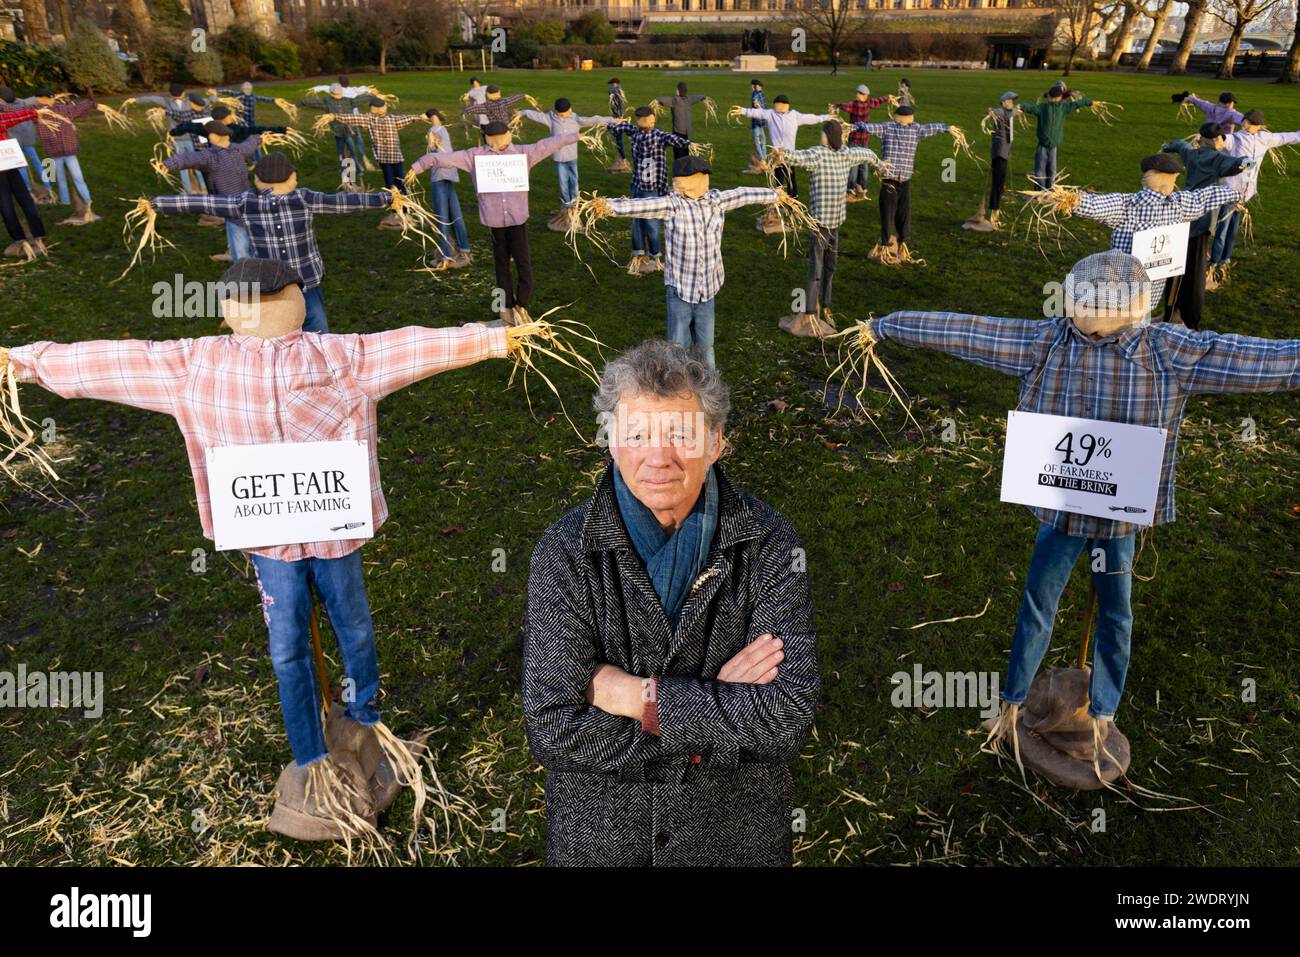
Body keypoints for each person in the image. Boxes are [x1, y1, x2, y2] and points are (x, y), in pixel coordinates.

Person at [1, 257, 520, 842]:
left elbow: (415, 347)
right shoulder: (196, 364)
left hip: (334, 529)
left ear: (296, 299)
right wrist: (26, 363)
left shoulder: (341, 356)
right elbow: (115, 362)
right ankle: (310, 755)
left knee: (353, 627)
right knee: (287, 645)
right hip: (270, 542)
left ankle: (364, 723)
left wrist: (496, 339)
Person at [864, 250, 1300, 775]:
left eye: (1098, 306)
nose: (1086, 316)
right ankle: (1011, 706)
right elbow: (965, 331)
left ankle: (1102, 713)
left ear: (1137, 307)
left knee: (1117, 611)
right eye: (1080, 303)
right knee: (1037, 602)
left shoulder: (1167, 349)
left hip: (1117, 519)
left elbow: (1253, 358)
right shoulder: (1046, 342)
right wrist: (886, 327)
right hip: (1062, 510)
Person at [523, 338, 820, 866]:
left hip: (732, 837)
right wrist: (717, 711)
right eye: (637, 434)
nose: (658, 457)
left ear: (716, 442)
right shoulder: (564, 552)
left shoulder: (770, 542)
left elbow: (788, 716)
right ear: (611, 441)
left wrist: (645, 700)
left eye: (680, 434)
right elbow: (552, 729)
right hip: (604, 840)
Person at [148, 152, 396, 334]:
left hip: (269, 284)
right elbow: (343, 202)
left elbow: (202, 204)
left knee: (275, 331)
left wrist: (157, 202)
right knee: (316, 329)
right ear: (292, 177)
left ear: (257, 181)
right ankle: (316, 364)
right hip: (305, 279)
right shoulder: (304, 198)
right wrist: (385, 198)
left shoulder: (246, 202)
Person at [594, 155, 780, 367]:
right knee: (677, 348)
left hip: (707, 290)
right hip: (680, 290)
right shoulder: (673, 205)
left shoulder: (716, 201)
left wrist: (774, 195)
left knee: (706, 347)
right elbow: (642, 205)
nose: (703, 181)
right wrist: (607, 206)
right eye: (698, 177)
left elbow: (744, 193)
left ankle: (709, 388)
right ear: (682, 181)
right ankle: (678, 387)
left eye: (704, 177)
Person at [409, 120, 579, 325]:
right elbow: (444, 158)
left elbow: (548, 144)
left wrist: (575, 136)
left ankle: (521, 304)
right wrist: (418, 166)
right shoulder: (475, 156)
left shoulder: (523, 153)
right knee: (501, 266)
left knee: (523, 264)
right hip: (494, 222)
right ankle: (504, 307)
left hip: (517, 221)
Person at [1036, 152, 1240, 313]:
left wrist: (1064, 199)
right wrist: (1234, 194)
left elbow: (1096, 204)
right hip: (1148, 292)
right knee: (1138, 321)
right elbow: (1204, 197)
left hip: (1121, 287)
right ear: (1169, 180)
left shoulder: (1129, 205)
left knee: (1120, 323)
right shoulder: (1179, 205)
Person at [774, 121, 883, 335]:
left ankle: (817, 310)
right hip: (831, 224)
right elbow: (868, 154)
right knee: (827, 267)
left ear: (827, 135)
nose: (820, 136)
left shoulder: (821, 154)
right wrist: (880, 164)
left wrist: (781, 153)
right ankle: (817, 308)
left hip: (824, 225)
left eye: (822, 133)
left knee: (819, 268)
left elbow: (798, 156)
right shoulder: (844, 153)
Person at [1160, 123, 1250, 327]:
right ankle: (1190, 318)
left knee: (1175, 264)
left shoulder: (1192, 154)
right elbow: (1238, 164)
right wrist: (1248, 162)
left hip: (1181, 213)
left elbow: (1179, 145)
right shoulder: (1218, 158)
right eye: (1221, 139)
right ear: (1216, 140)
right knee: (1195, 267)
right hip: (1201, 220)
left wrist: (1166, 146)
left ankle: (1171, 311)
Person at [1208, 108, 1300, 289]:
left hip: (1245, 194)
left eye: (1252, 123)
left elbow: (1288, 137)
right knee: (1222, 230)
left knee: (1232, 228)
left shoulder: (1265, 138)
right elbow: (1224, 140)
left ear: (1259, 126)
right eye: (1247, 121)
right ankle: (1213, 266)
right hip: (1229, 191)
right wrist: (1216, 139)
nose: (1248, 125)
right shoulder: (1236, 138)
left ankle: (1224, 260)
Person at [855, 105, 955, 264]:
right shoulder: (898, 128)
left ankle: (901, 246)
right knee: (892, 214)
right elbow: (931, 128)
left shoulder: (902, 128)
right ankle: (887, 249)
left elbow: (868, 127)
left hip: (901, 182)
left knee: (900, 214)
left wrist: (857, 125)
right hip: (890, 182)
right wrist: (945, 128)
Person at [162, 121, 262, 263]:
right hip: (249, 204)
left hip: (231, 209)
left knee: (239, 246)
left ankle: (245, 275)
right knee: (251, 239)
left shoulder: (211, 156)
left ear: (214, 137)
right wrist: (257, 137)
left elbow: (188, 158)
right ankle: (256, 264)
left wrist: (168, 163)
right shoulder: (238, 150)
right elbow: (250, 144)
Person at [606, 106, 690, 275]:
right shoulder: (637, 132)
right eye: (640, 119)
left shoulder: (655, 135)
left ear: (652, 119)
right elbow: (616, 127)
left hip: (647, 187)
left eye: (645, 118)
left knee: (640, 221)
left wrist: (688, 144)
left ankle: (645, 256)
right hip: (644, 187)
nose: (642, 121)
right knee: (645, 222)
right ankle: (650, 257)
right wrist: (614, 124)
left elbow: (677, 141)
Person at [17, 89, 117, 225]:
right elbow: (17, 108)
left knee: (77, 178)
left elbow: (81, 107)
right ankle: (67, 202)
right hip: (56, 151)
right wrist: (94, 104)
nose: (51, 100)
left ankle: (87, 201)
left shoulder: (59, 109)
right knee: (65, 179)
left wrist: (94, 105)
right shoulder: (37, 111)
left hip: (66, 151)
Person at [330, 96, 430, 228]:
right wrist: (335, 117)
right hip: (391, 159)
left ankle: (401, 213)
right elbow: (353, 118)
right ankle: (400, 212)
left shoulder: (381, 119)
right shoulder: (380, 119)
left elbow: (405, 118)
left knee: (395, 186)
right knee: (396, 186)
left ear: (377, 109)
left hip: (391, 160)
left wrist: (334, 116)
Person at [517, 97, 615, 231]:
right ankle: (565, 209)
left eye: (566, 112)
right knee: (563, 183)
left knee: (574, 182)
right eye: (561, 114)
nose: (564, 115)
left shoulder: (575, 119)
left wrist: (611, 119)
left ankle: (574, 209)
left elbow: (594, 119)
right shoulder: (550, 118)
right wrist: (522, 112)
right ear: (556, 111)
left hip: (572, 158)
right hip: (559, 159)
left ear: (570, 109)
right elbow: (536, 115)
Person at [733, 95, 835, 215]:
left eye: (777, 104)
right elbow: (758, 113)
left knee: (791, 180)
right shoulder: (771, 114)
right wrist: (743, 111)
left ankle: (794, 205)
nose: (775, 106)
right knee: (778, 181)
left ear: (784, 105)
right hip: (776, 156)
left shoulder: (795, 116)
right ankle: (778, 205)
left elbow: (811, 118)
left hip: (790, 156)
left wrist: (826, 117)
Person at [124, 86, 215, 193]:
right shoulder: (181, 102)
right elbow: (207, 101)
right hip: (180, 138)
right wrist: (213, 95)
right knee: (189, 163)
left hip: (189, 138)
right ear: (184, 93)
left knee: (190, 163)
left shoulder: (179, 102)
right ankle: (191, 188)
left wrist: (136, 100)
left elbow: (152, 98)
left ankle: (200, 188)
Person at [418, 109, 472, 271]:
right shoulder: (444, 130)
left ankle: (446, 254)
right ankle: (464, 250)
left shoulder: (433, 131)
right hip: (450, 172)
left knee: (441, 217)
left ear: (430, 117)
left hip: (439, 175)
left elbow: (433, 152)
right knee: (455, 214)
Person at [296, 83, 373, 188]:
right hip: (345, 131)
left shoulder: (329, 101)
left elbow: (312, 102)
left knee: (344, 152)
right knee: (349, 151)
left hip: (344, 131)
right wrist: (372, 96)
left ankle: (350, 175)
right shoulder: (346, 100)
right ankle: (352, 175)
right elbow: (360, 99)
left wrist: (301, 102)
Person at [1019, 85, 1092, 190]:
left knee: (1052, 170)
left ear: (1060, 97)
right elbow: (1031, 108)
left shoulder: (1064, 107)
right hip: (1042, 144)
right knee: (1040, 171)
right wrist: (1021, 106)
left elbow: (1076, 104)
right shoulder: (1043, 107)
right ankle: (1039, 192)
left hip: (1054, 145)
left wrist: (1089, 102)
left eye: (1055, 97)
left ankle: (1050, 190)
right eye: (1051, 97)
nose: (1053, 99)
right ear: (1049, 97)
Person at [830, 84, 894, 200]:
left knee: (853, 164)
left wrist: (835, 106)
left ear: (865, 96)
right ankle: (862, 189)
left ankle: (851, 189)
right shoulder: (869, 103)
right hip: (864, 139)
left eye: (860, 93)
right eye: (857, 93)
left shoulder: (853, 105)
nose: (857, 95)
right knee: (864, 165)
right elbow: (878, 101)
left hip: (854, 140)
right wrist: (887, 97)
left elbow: (844, 106)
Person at [0, 102, 47, 258]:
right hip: (10, 164)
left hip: (7, 166)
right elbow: (16, 116)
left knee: (6, 207)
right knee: (25, 200)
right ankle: (38, 235)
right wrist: (34, 113)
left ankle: (20, 239)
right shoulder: (2, 120)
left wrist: (32, 113)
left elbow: (14, 116)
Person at [0, 85, 52, 203]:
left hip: (15, 141)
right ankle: (48, 186)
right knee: (37, 162)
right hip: (28, 138)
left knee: (21, 166)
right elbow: (35, 99)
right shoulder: (23, 103)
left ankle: (28, 190)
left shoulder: (3, 107)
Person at [984, 92, 1020, 230]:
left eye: (1013, 101)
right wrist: (990, 111)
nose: (1012, 103)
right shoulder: (1001, 112)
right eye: (1009, 101)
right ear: (1003, 102)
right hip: (999, 152)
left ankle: (995, 211)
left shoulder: (1009, 111)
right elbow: (995, 112)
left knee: (1001, 183)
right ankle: (994, 211)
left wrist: (1016, 109)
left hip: (1005, 152)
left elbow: (1013, 112)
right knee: (997, 184)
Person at [654, 82, 709, 163]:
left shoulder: (675, 100)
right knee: (685, 154)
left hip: (678, 134)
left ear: (677, 91)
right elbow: (696, 97)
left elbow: (660, 99)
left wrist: (658, 102)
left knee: (679, 156)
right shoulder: (688, 99)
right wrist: (703, 96)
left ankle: (680, 171)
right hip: (686, 133)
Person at [1171, 90, 1243, 134]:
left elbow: (1199, 102)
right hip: (1223, 141)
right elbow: (1244, 120)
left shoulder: (1211, 107)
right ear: (1230, 103)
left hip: (1207, 136)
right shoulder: (1232, 114)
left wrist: (1190, 98)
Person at [607, 77, 630, 172]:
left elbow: (611, 91)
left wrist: (616, 119)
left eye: (612, 84)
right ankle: (621, 161)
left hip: (618, 119)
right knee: (618, 141)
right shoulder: (618, 91)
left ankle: (623, 162)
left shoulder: (616, 90)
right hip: (618, 118)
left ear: (615, 83)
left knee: (619, 141)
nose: (611, 86)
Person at [746, 78, 768, 173]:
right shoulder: (758, 94)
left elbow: (759, 105)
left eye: (756, 85)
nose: (754, 86)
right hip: (759, 121)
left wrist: (759, 108)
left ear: (760, 86)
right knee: (760, 141)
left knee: (759, 140)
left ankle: (763, 160)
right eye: (754, 85)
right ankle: (763, 160)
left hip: (759, 121)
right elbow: (757, 104)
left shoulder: (758, 94)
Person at [463, 76, 489, 144]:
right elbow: (466, 98)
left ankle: (489, 142)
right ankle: (487, 143)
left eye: (478, 82)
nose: (478, 83)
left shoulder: (484, 87)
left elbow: (492, 90)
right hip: (478, 112)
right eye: (477, 82)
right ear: (474, 82)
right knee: (482, 128)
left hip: (485, 110)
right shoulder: (471, 91)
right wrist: (466, 97)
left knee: (487, 126)